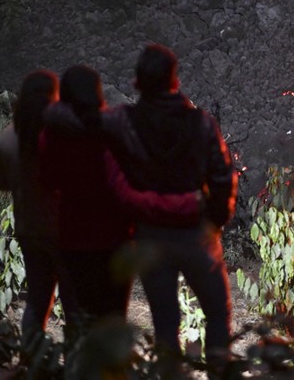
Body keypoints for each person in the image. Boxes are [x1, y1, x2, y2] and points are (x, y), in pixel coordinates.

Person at [103, 44, 238, 374]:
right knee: (218, 315)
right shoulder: (200, 123)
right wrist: (215, 222)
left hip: (149, 235)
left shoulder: (123, 122)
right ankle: (220, 373)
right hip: (195, 233)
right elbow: (222, 177)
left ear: (137, 83)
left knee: (165, 325)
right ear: (174, 81)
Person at [40, 64, 201, 331]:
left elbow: (46, 182)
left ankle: (77, 368)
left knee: (76, 319)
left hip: (70, 238)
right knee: (111, 321)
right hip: (111, 242)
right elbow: (126, 191)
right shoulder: (109, 134)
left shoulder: (52, 135)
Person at [0, 69, 77, 345]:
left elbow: (4, 184)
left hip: (29, 229)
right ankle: (76, 367)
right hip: (66, 233)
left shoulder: (7, 138)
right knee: (75, 306)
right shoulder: (66, 135)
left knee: (38, 300)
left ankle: (31, 362)